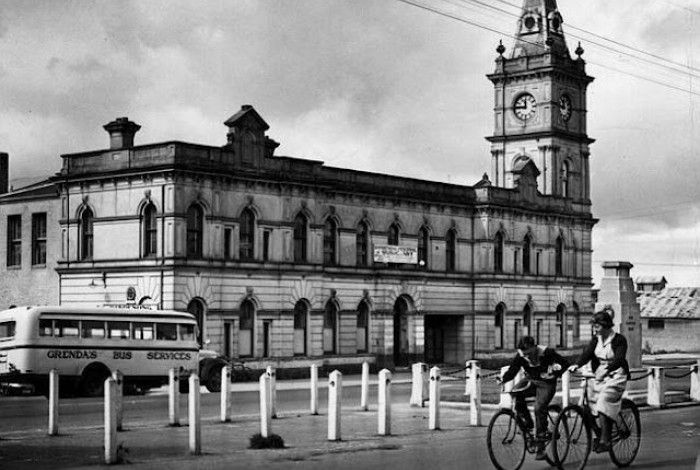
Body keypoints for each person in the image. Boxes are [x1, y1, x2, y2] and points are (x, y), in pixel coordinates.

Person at [568, 309, 629, 453]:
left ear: (606, 325)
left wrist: (607, 369)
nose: (594, 329)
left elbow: (620, 359)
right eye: (593, 326)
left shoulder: (619, 340)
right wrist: (577, 364)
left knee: (603, 402)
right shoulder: (596, 339)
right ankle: (599, 432)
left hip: (616, 375)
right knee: (586, 407)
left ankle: (605, 440)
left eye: (597, 326)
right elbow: (587, 353)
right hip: (598, 375)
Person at [500, 335, 570, 460]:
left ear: (534, 347)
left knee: (539, 407)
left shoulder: (547, 352)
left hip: (546, 384)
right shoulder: (521, 355)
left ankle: (541, 443)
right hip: (531, 381)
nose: (526, 357)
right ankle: (528, 424)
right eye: (523, 355)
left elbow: (565, 363)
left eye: (528, 354)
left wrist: (555, 374)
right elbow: (513, 370)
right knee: (515, 392)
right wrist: (503, 379)